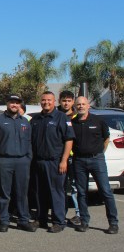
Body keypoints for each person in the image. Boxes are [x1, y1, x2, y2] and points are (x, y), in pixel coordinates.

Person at [71, 96, 118, 234]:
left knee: (106, 191)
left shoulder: (98, 121)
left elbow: (106, 138)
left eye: (83, 104)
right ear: (75, 106)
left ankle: (113, 223)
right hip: (79, 161)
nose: (80, 106)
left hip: (96, 160)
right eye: (78, 104)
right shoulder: (72, 122)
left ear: (88, 106)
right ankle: (84, 221)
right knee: (81, 192)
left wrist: (99, 153)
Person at [0, 94, 36, 233]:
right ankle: (4, 220)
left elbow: (29, 142)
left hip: (22, 161)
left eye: (17, 103)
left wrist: (28, 158)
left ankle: (23, 220)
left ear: (20, 105)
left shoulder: (25, 122)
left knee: (22, 193)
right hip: (5, 161)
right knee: (5, 193)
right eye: (12, 102)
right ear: (7, 103)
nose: (14, 105)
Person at [30, 91, 74, 233]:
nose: (46, 102)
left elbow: (69, 140)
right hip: (38, 162)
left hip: (55, 162)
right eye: (43, 100)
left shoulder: (61, 118)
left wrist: (64, 160)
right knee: (39, 192)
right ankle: (41, 219)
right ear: (40, 101)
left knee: (56, 192)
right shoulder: (36, 119)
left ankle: (59, 221)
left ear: (54, 101)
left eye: (49, 100)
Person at [57, 90, 80, 226]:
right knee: (61, 187)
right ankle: (61, 213)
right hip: (60, 158)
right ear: (60, 101)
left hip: (75, 158)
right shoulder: (56, 115)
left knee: (75, 187)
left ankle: (78, 213)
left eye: (69, 101)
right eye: (64, 100)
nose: (66, 103)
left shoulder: (77, 117)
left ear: (73, 102)